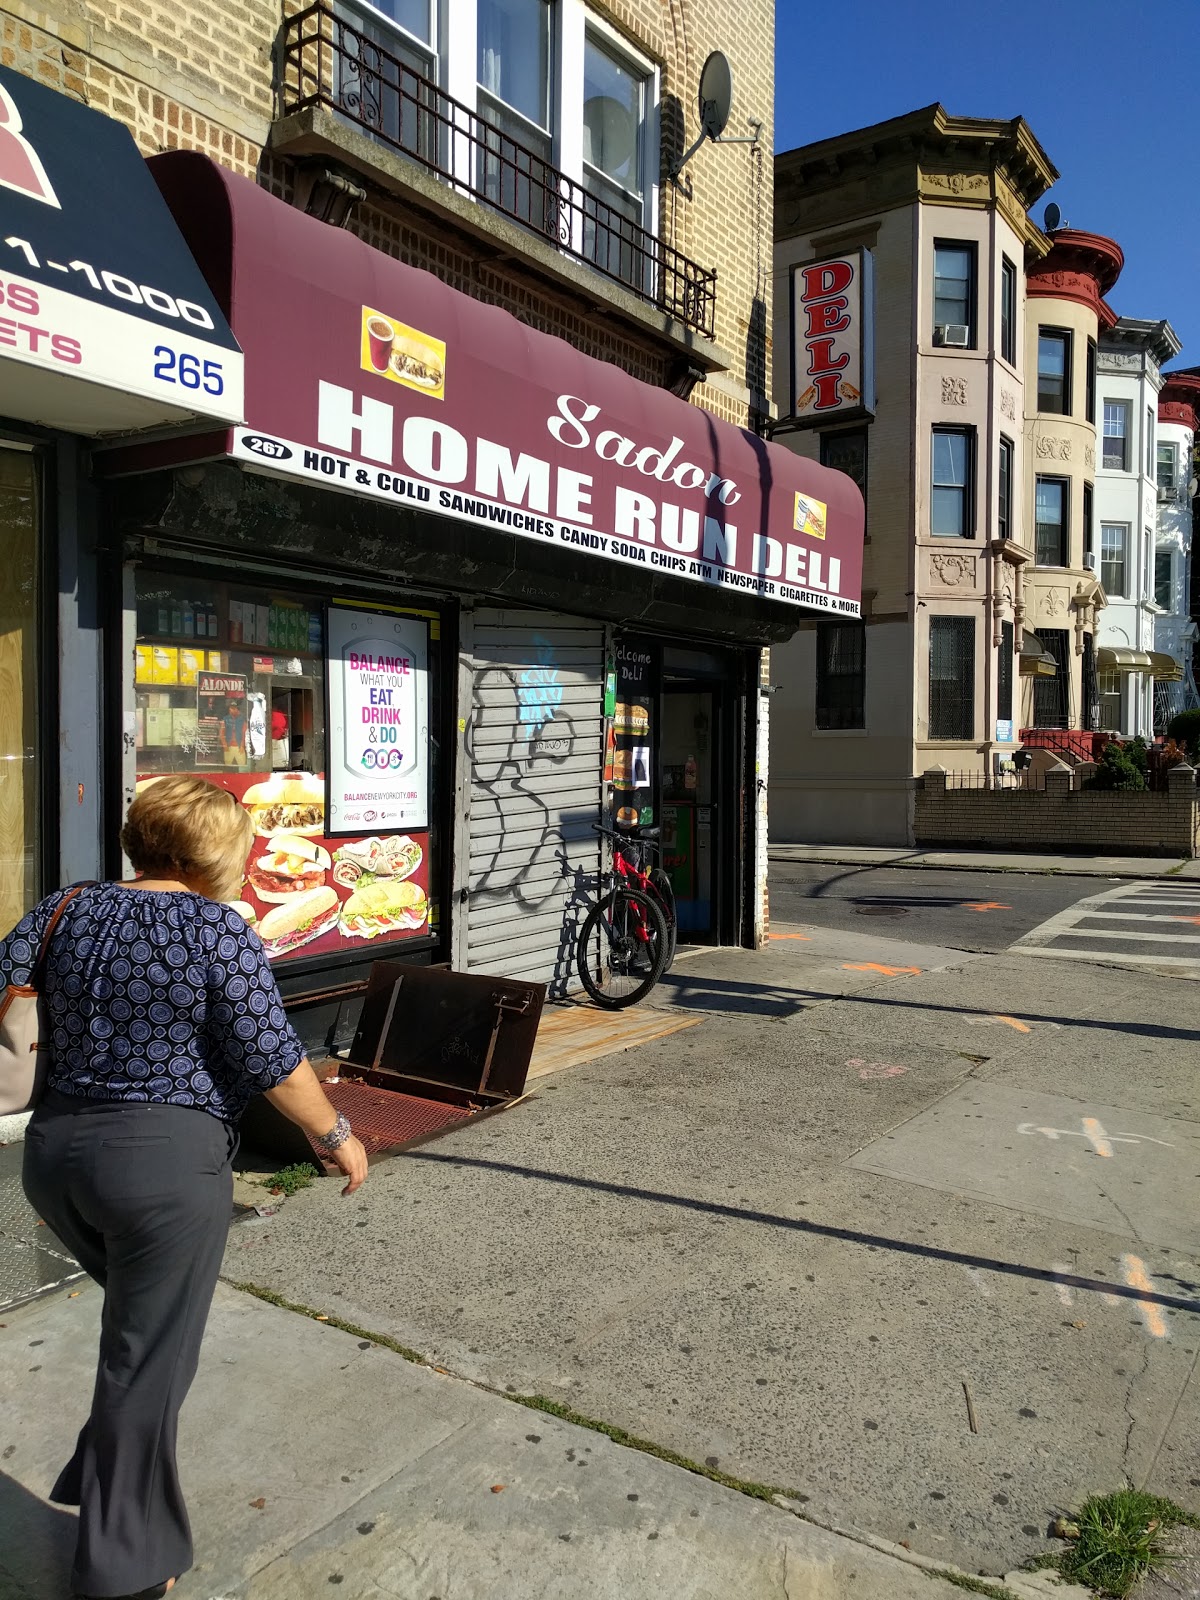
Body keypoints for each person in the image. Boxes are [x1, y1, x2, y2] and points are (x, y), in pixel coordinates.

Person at [2, 774, 368, 1600]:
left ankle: (103, 1486)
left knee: (145, 1341)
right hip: (161, 1168)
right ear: (213, 851)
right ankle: (125, 1568)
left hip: (56, 1156)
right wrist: (336, 1134)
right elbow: (274, 1058)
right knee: (146, 1360)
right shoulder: (215, 930)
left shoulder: (63, 907)